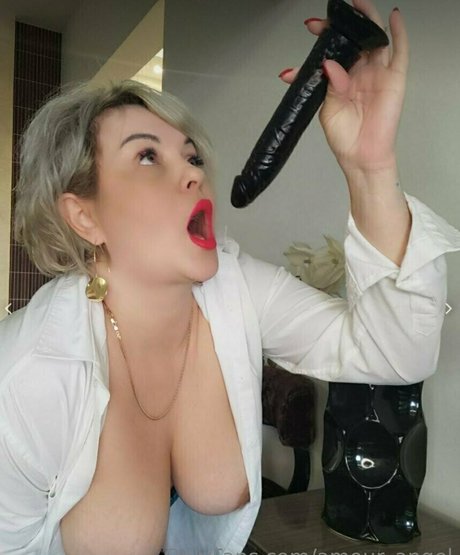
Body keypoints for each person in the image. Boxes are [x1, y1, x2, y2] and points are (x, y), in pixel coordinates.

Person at [1, 1, 460, 554]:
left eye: (192, 157)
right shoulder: (24, 378)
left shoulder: (234, 288)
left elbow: (396, 355)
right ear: (84, 217)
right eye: (147, 157)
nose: (192, 174)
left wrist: (371, 168)